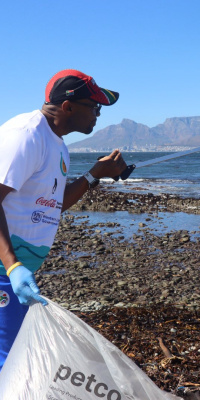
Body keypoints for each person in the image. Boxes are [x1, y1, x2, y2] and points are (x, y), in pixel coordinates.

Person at [0, 69, 127, 369]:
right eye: (94, 107)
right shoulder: (26, 135)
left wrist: (95, 175)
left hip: (14, 273)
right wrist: (13, 266)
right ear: (68, 107)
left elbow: (53, 204)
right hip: (4, 272)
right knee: (7, 361)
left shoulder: (58, 145)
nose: (98, 115)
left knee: (15, 357)